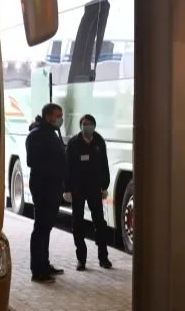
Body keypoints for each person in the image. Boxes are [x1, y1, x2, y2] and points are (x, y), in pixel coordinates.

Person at [63, 114, 113, 271]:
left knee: (100, 222)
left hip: (94, 188)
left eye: (90, 124)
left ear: (94, 125)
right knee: (77, 223)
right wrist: (67, 189)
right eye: (84, 124)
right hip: (78, 189)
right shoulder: (73, 143)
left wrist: (105, 186)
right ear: (80, 126)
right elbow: (67, 168)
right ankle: (81, 259)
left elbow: (104, 164)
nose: (87, 126)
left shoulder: (99, 141)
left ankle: (103, 257)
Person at [26, 103, 67, 284]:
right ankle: (38, 270)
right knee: (41, 228)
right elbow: (33, 161)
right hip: (43, 188)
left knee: (47, 228)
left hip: (53, 187)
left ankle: (45, 263)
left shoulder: (51, 133)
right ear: (48, 116)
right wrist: (54, 168)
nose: (60, 118)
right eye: (58, 115)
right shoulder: (37, 135)